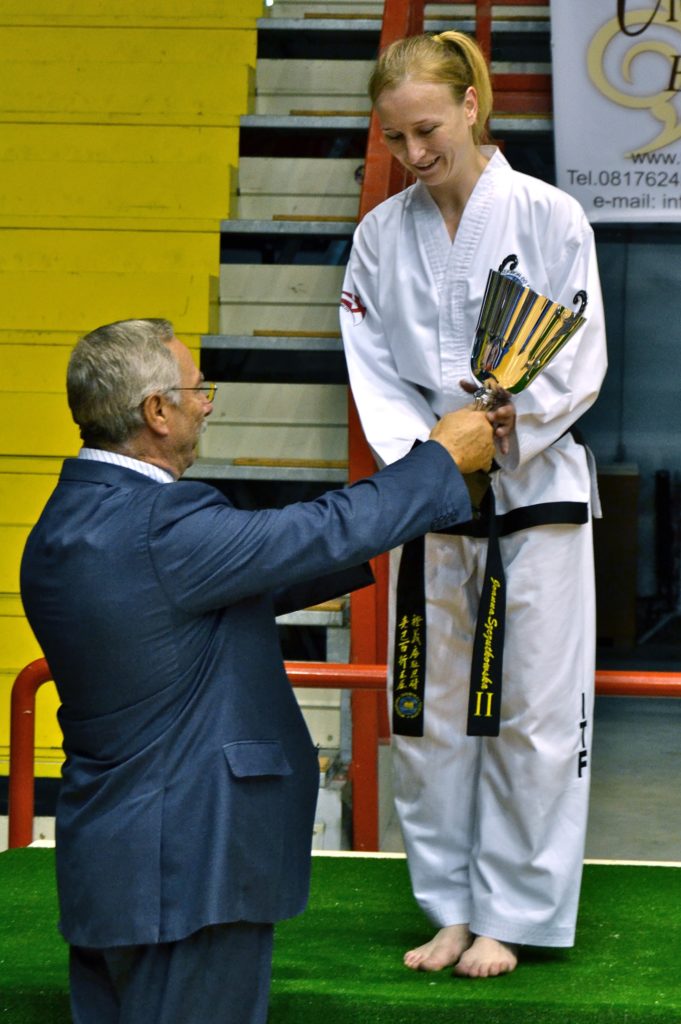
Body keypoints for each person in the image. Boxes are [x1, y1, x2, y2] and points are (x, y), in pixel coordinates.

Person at [20, 317, 496, 1024]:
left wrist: (394, 527)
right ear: (156, 411)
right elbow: (314, 528)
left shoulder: (65, 520)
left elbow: (222, 586)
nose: (206, 404)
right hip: (189, 865)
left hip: (116, 864)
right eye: (196, 389)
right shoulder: (162, 522)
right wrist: (439, 459)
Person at [340, 31, 608, 979]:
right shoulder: (380, 235)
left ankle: (514, 913)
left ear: (469, 107)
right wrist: (428, 464)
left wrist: (496, 436)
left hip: (533, 499)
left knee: (531, 713)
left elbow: (575, 361)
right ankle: (449, 906)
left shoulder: (547, 216)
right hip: (430, 497)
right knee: (427, 714)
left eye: (426, 130)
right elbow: (371, 370)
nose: (413, 154)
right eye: (395, 138)